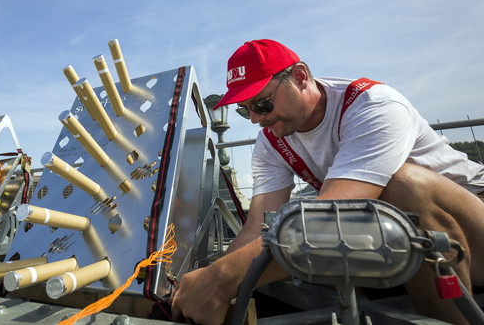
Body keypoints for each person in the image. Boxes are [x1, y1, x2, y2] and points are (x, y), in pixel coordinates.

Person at [170, 39, 484, 324]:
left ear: (300, 77)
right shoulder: (273, 140)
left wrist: (223, 279)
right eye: (245, 110)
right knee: (288, 244)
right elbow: (255, 229)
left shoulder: (372, 105)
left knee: (401, 185)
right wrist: (207, 281)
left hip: (469, 231)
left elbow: (337, 213)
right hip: (398, 239)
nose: (255, 119)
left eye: (262, 104)